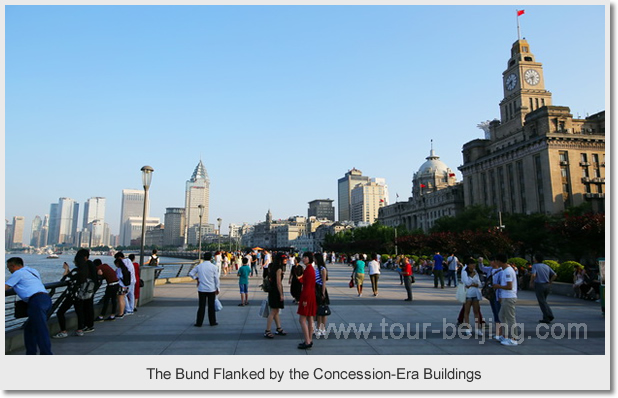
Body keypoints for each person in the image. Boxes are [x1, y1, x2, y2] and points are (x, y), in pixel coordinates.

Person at [5, 257, 53, 355]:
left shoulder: (18, 273)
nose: (8, 270)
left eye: (8, 267)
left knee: (41, 330)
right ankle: (30, 353)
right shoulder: (33, 271)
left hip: (36, 302)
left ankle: (46, 354)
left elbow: (5, 287)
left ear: (13, 266)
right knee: (29, 329)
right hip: (46, 299)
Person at [493, 253, 519, 346]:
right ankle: (506, 336)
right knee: (502, 316)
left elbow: (509, 286)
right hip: (505, 297)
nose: (496, 263)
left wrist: (498, 286)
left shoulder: (508, 271)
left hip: (509, 297)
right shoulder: (505, 270)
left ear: (499, 261)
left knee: (510, 317)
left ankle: (514, 338)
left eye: (496, 261)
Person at [189, 252, 220, 327]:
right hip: (211, 289)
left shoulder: (199, 266)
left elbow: (191, 273)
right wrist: (217, 288)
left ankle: (199, 322)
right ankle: (212, 321)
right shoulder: (214, 267)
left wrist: (196, 278)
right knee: (211, 306)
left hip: (202, 289)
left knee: (201, 306)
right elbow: (216, 279)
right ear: (211, 258)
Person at [264, 253, 287, 338]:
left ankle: (279, 328)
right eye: (284, 259)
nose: (286, 260)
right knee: (273, 311)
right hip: (276, 291)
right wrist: (281, 294)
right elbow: (279, 283)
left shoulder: (272, 267)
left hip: (272, 290)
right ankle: (267, 330)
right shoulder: (279, 269)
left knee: (276, 310)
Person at [529, 253, 557, 324]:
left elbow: (534, 274)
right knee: (544, 301)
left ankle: (548, 316)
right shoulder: (546, 266)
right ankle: (546, 316)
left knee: (542, 302)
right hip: (547, 285)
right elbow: (554, 274)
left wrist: (531, 282)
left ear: (536, 259)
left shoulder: (535, 266)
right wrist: (550, 281)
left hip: (539, 285)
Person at [297, 252, 317, 349]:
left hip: (307, 296)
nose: (303, 259)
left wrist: (304, 299)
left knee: (302, 320)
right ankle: (310, 339)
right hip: (311, 295)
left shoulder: (309, 270)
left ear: (309, 259)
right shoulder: (309, 269)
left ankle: (307, 341)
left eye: (305, 257)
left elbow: (308, 286)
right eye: (303, 257)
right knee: (310, 318)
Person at [460, 259, 483, 337]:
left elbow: (479, 283)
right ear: (468, 265)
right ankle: (467, 328)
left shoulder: (475, 272)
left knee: (476, 311)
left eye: (474, 264)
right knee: (467, 311)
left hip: (475, 294)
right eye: (472, 264)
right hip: (468, 293)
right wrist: (472, 279)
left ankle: (477, 328)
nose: (474, 266)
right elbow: (466, 283)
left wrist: (473, 284)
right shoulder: (464, 272)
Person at [314, 252, 330, 336]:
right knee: (318, 311)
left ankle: (322, 328)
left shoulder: (322, 269)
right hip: (316, 289)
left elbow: (324, 282)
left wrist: (323, 293)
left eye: (315, 259)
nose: (314, 260)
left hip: (320, 289)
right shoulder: (317, 268)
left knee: (322, 311)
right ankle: (318, 328)